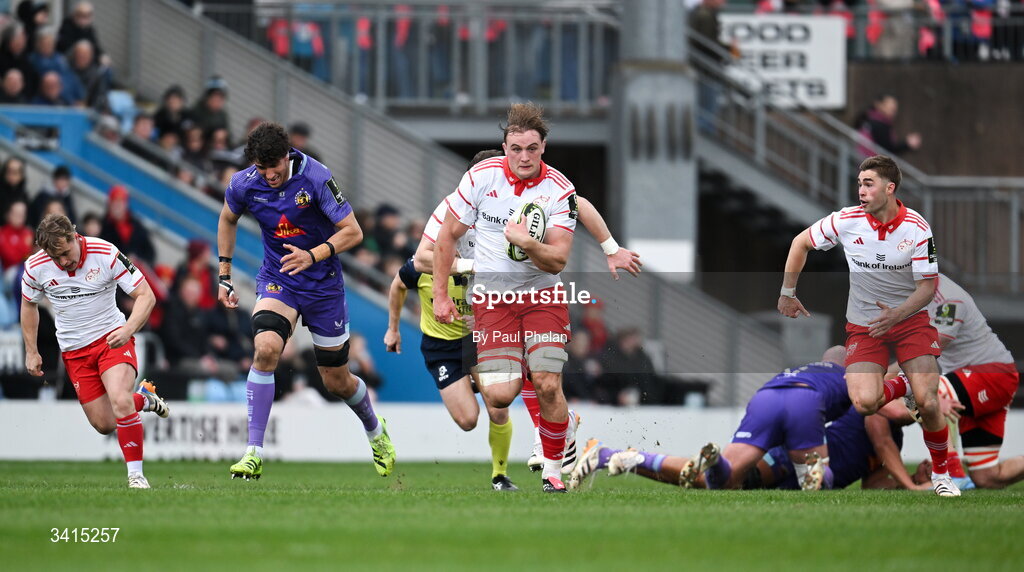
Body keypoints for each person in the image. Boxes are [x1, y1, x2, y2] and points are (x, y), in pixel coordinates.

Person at [217, 122, 395, 480]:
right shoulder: (243, 183)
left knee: (336, 381)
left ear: (288, 156)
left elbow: (353, 231)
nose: (269, 175)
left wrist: (312, 256)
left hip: (323, 284)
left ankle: (376, 431)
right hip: (278, 278)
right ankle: (253, 451)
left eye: (275, 168)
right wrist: (224, 273)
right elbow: (227, 218)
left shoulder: (315, 177)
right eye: (262, 168)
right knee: (266, 348)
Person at [778, 155, 958, 497]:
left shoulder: (917, 228)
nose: (860, 190)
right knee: (864, 403)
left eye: (868, 183)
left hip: (909, 321)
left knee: (929, 402)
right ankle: (905, 385)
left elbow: (928, 287)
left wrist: (897, 314)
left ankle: (942, 476)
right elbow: (799, 242)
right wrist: (788, 292)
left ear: (889, 189)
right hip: (864, 326)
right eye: (859, 183)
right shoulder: (846, 220)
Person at [431, 103, 581, 493]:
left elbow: (558, 259)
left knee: (547, 383)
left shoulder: (560, 190)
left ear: (544, 147)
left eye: (532, 148)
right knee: (499, 395)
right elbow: (447, 237)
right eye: (516, 148)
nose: (524, 157)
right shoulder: (481, 177)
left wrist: (528, 243)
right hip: (493, 302)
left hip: (542, 298)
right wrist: (442, 297)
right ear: (504, 147)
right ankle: (564, 422)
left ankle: (553, 471)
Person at [20, 214, 168, 489]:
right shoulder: (35, 266)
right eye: (56, 258)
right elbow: (29, 305)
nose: (63, 262)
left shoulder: (106, 253)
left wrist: (128, 330)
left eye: (65, 253)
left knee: (120, 400)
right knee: (104, 423)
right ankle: (145, 399)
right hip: (74, 352)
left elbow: (146, 295)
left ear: (74, 236)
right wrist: (31, 351)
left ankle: (136, 477)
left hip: (112, 340)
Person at [569, 402, 933, 492]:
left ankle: (621, 458)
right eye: (918, 404)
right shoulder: (874, 410)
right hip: (795, 461)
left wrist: (905, 478)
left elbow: (871, 484)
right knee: (716, 483)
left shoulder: (895, 443)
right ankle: (621, 456)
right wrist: (914, 485)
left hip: (805, 480)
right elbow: (882, 441)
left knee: (712, 483)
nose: (920, 411)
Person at [684, 348, 854, 491]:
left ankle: (716, 461)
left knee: (727, 480)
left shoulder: (805, 369)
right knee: (817, 476)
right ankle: (811, 472)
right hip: (804, 400)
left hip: (766, 397)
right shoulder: (850, 376)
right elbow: (870, 403)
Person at [923, 273, 1023, 489]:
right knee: (987, 477)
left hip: (990, 374)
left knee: (920, 391)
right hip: (971, 381)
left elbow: (930, 350)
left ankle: (952, 471)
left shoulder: (949, 298)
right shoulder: (913, 292)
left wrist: (886, 376)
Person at [99, 185, 156, 266]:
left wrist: (138, 260)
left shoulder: (136, 225)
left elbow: (149, 252)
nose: (118, 207)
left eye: (121, 203)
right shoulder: (103, 226)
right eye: (115, 203)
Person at [856, 94, 921, 157]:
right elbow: (888, 150)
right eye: (891, 108)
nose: (893, 111)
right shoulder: (878, 123)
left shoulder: (868, 118)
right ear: (879, 105)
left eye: (894, 109)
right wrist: (907, 144)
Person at [1, 200, 34, 270]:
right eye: (16, 213)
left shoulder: (28, 232)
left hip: (28, 268)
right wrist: (25, 246)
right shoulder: (3, 233)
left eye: (22, 214)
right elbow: (11, 258)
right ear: (9, 214)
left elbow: (31, 256)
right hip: (9, 270)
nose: (20, 216)